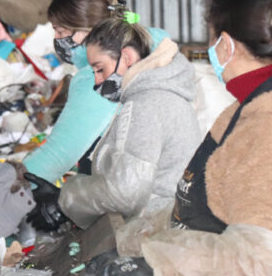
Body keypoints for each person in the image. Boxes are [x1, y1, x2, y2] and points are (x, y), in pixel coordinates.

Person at [125, 0, 272, 276]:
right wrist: (140, 239)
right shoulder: (247, 108)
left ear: (226, 45)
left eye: (210, 40)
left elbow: (260, 265)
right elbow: (209, 198)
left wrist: (159, 269)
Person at [30, 15, 200, 231]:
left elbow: (126, 192)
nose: (97, 82)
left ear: (127, 58)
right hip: (165, 225)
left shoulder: (146, 104)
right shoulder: (159, 94)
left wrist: (64, 201)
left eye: (100, 69)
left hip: (155, 234)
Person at [23, 0, 168, 183]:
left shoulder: (100, 75)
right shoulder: (141, 49)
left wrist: (6, 188)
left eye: (60, 31)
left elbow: (57, 157)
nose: (56, 39)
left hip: (128, 192)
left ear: (86, 29)